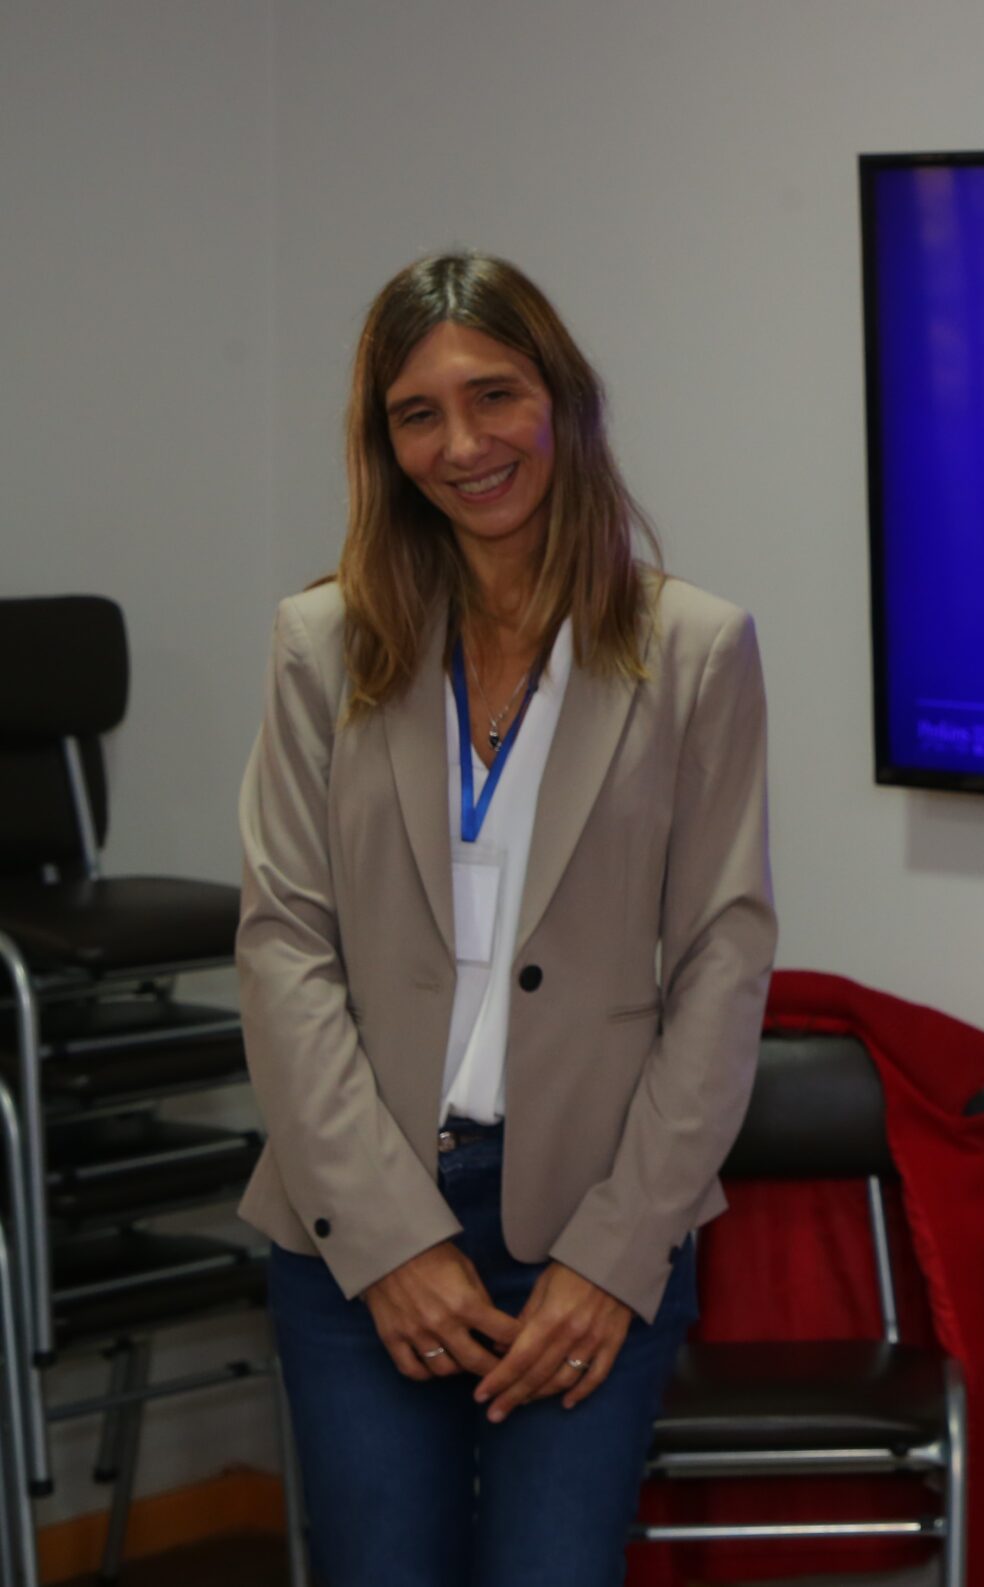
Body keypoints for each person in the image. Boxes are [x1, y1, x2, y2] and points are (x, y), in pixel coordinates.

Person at [236, 252, 777, 1587]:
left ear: (563, 404)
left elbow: (723, 955)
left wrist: (616, 1253)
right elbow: (284, 945)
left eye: (495, 395)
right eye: (417, 413)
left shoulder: (693, 649)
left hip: (590, 1226)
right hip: (356, 1230)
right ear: (384, 442)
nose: (463, 443)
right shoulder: (326, 644)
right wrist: (391, 1238)